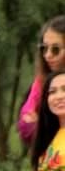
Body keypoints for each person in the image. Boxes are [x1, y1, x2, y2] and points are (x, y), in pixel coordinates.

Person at [18, 15, 65, 145]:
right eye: (44, 48)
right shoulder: (41, 82)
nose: (48, 55)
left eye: (55, 49)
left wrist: (42, 123)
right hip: (51, 159)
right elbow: (25, 125)